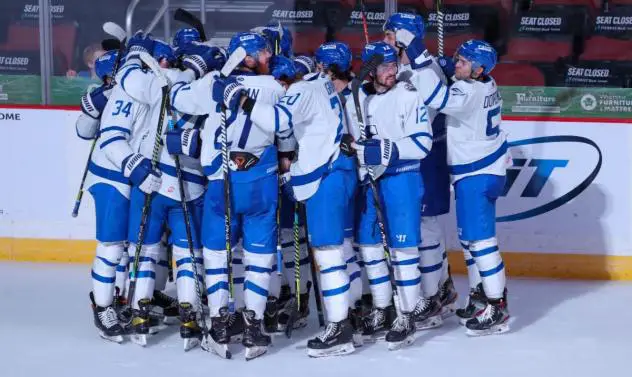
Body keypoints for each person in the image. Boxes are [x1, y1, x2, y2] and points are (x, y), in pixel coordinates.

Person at [218, 39, 359, 358]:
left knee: (328, 254)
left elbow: (277, 122)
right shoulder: (322, 85)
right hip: (337, 172)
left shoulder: (306, 89)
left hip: (327, 176)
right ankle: (344, 321)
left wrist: (244, 101)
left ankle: (340, 329)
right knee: (334, 251)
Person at [397, 30, 511, 336]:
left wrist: (418, 50)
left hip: (476, 174)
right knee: (471, 241)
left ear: (478, 70)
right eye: (458, 60)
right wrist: (450, 67)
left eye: (462, 62)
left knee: (482, 243)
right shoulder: (485, 83)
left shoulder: (467, 92)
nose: (456, 65)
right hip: (483, 169)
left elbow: (437, 97)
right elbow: (455, 80)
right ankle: (479, 297)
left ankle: (497, 307)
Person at [114, 33, 221, 349]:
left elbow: (127, 78)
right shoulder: (208, 86)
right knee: (188, 254)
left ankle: (139, 313)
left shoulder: (151, 82)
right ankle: (189, 314)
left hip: (151, 181)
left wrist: (135, 54)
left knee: (143, 251)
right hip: (189, 185)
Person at [201, 31, 286, 360]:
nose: (269, 58)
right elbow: (287, 133)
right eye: (263, 54)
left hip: (221, 181)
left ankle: (220, 323)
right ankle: (253, 326)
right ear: (248, 57)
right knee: (259, 257)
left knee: (217, 255)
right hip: (261, 180)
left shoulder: (212, 84)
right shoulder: (277, 87)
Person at [346, 41, 432, 350]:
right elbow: (355, 141)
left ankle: (406, 314)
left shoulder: (408, 97)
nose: (392, 71)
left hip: (402, 179)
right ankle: (383, 309)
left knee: (403, 248)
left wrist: (386, 149)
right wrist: (357, 147)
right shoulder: (359, 100)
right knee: (369, 246)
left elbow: (423, 144)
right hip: (370, 180)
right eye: (384, 67)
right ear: (370, 71)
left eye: (394, 65)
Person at [382, 12, 457, 327]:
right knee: (426, 226)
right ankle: (441, 288)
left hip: (424, 157)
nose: (384, 40)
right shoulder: (410, 67)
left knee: (425, 225)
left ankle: (430, 297)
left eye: (389, 36)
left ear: (403, 38)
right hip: (419, 156)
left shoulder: (422, 70)